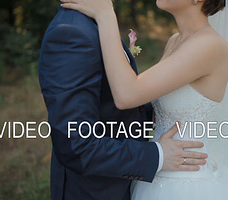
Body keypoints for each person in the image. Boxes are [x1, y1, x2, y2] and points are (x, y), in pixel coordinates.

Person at [60, 0, 228, 199]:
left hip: (186, 183)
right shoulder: (175, 41)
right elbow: (145, 99)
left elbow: (128, 94)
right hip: (158, 173)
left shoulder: (210, 46)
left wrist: (106, 16)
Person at [38, 2, 209, 200]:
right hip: (93, 190)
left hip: (120, 181)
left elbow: (109, 104)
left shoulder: (94, 19)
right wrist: (157, 155)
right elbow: (76, 145)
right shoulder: (71, 32)